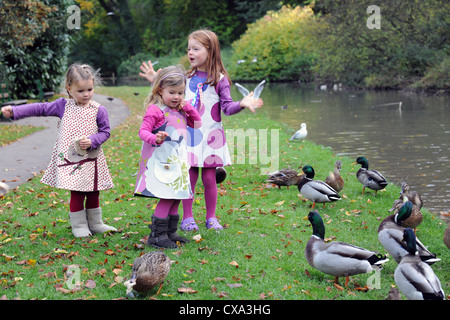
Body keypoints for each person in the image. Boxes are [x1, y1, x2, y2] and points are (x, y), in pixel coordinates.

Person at [139, 29, 263, 231]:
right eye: (189, 49)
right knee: (188, 176)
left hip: (212, 136)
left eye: (196, 49)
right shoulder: (185, 77)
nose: (190, 53)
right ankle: (187, 217)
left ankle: (211, 217)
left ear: (210, 51)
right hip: (187, 135)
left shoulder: (220, 80)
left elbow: (227, 108)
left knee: (209, 178)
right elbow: (169, 92)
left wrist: (242, 103)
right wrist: (156, 79)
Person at [1, 63, 116, 237]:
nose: (86, 94)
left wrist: (93, 140)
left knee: (93, 190)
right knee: (77, 191)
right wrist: (15, 111)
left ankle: (96, 223)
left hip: (92, 159)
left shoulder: (99, 110)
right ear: (69, 89)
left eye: (90, 89)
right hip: (72, 161)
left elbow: (105, 132)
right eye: (81, 91)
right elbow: (39, 108)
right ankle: (79, 225)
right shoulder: (63, 106)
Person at [134, 65, 202, 248]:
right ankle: (157, 235)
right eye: (172, 92)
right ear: (160, 90)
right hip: (161, 161)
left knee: (176, 195)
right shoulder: (156, 110)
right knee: (166, 196)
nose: (177, 97)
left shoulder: (180, 109)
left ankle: (170, 232)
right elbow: (143, 131)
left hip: (178, 161)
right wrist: (154, 138)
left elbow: (197, 124)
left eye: (181, 93)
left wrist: (188, 107)